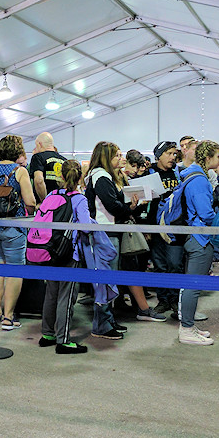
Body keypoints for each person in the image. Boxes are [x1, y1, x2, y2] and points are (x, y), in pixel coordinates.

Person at [38, 159, 116, 354]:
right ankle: (63, 340)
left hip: (50, 250)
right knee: (67, 296)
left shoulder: (51, 194)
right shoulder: (79, 199)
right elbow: (84, 227)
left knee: (51, 294)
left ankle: (47, 333)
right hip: (69, 254)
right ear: (80, 177)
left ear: (61, 177)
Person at [85, 140, 156, 336]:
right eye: (117, 155)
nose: (121, 158)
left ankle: (108, 321)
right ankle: (102, 325)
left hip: (107, 231)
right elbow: (113, 206)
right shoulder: (101, 176)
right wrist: (131, 208)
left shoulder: (103, 176)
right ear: (107, 157)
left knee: (109, 279)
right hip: (105, 232)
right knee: (106, 281)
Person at [0, 135, 36, 331]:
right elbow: (30, 202)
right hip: (13, 227)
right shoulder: (20, 172)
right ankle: (8, 317)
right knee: (14, 270)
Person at [177, 140, 219, 345]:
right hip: (199, 237)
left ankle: (188, 325)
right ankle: (186, 328)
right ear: (207, 158)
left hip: (195, 236)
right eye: (216, 156)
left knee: (191, 285)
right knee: (193, 286)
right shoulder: (199, 180)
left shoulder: (192, 175)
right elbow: (205, 213)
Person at [146, 141, 183, 317]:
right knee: (160, 266)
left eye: (174, 154)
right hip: (155, 228)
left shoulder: (179, 173)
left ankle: (175, 300)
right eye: (168, 153)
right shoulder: (149, 174)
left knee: (175, 265)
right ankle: (163, 300)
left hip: (175, 227)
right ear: (158, 155)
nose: (172, 157)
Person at [29, 132, 67, 202]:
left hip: (47, 205)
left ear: (39, 144)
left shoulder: (38, 157)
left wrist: (45, 202)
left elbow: (39, 180)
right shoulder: (65, 160)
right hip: (62, 204)